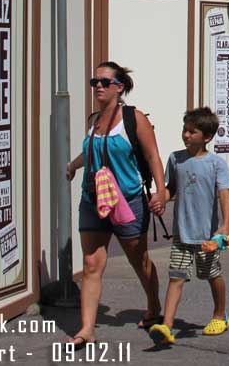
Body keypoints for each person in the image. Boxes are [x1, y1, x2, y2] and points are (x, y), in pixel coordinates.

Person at [65, 62, 167, 347]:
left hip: (128, 200)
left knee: (139, 260)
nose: (97, 86)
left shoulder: (134, 119)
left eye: (104, 82)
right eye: (94, 82)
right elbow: (90, 151)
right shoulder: (93, 120)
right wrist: (73, 166)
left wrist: (160, 192)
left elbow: (153, 157)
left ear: (119, 87)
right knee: (90, 264)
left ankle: (154, 306)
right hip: (93, 200)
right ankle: (86, 329)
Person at [151, 107, 229, 345]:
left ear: (206, 137)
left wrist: (225, 226)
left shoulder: (216, 163)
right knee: (176, 277)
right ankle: (166, 326)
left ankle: (220, 315)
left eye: (192, 131)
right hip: (181, 234)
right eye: (184, 130)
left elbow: (224, 194)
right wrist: (161, 199)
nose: (186, 135)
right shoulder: (176, 159)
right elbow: (171, 189)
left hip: (207, 237)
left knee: (211, 274)